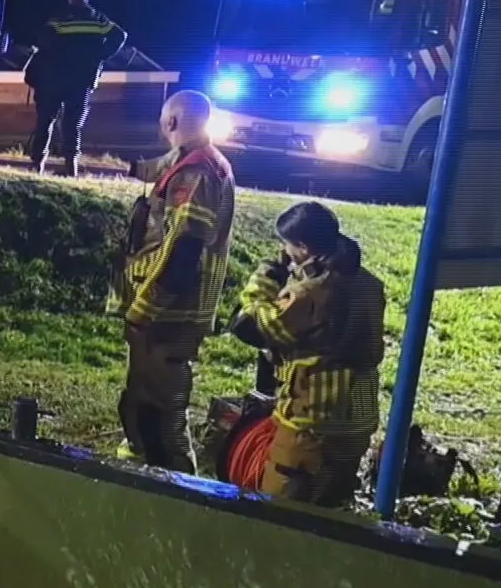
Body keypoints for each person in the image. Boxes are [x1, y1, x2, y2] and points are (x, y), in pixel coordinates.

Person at [110, 90, 236, 472]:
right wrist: (126, 166)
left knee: (161, 409)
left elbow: (184, 250)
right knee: (143, 397)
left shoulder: (197, 173)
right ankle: (144, 465)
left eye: (164, 122)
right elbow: (160, 168)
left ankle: (174, 482)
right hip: (161, 311)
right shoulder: (189, 160)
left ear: (172, 122)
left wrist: (144, 310)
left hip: (169, 312)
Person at [230, 201, 386, 508]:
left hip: (313, 421)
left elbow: (249, 326)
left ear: (302, 246)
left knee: (283, 503)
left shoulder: (310, 293)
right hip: (358, 416)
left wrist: (264, 280)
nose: (284, 250)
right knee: (332, 501)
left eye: (287, 244)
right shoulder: (368, 283)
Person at [24, 0, 128, 176]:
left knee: (46, 120)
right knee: (72, 124)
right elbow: (120, 35)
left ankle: (38, 164)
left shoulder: (61, 18)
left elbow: (43, 40)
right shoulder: (98, 20)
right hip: (81, 79)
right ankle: (70, 167)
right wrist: (101, 54)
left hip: (54, 78)